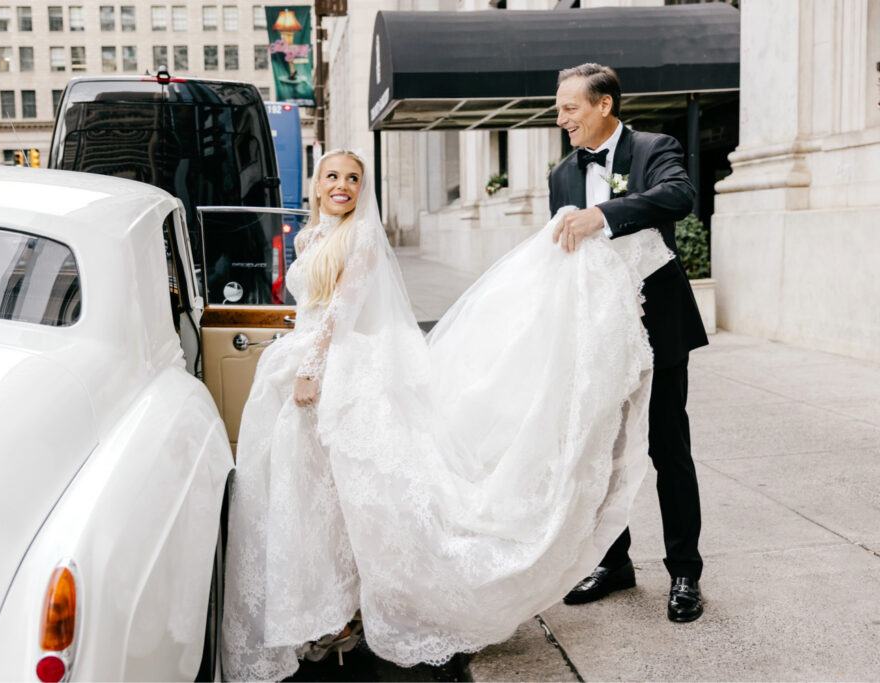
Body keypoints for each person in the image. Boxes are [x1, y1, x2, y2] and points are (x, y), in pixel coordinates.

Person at [222, 147, 676, 681]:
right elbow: (312, 307)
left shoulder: (362, 236)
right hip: (303, 360)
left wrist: (311, 369)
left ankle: (368, 606)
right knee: (317, 495)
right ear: (317, 186)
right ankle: (332, 607)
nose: (342, 185)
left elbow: (344, 308)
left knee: (367, 497)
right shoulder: (306, 237)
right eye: (333, 177)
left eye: (353, 178)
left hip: (339, 369)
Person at [547, 63, 709, 622]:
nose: (561, 117)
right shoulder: (561, 175)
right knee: (605, 451)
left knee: (668, 447)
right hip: (599, 334)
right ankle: (614, 563)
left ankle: (685, 571)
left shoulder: (653, 148)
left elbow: (679, 196)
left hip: (659, 324)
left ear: (603, 106)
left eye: (570, 107)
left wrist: (604, 214)